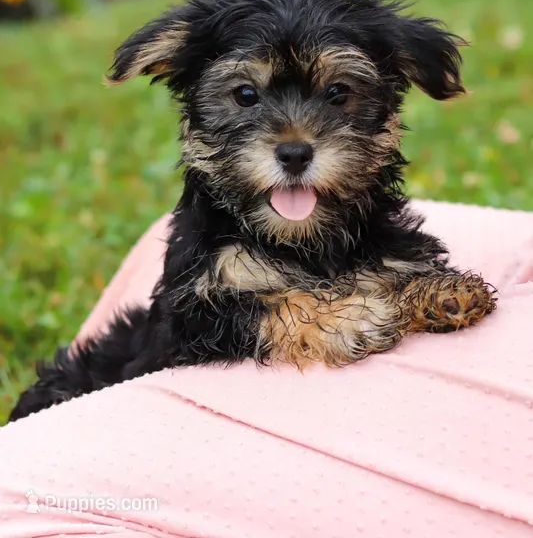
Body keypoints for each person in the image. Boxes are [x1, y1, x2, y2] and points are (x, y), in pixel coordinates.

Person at [1, 199, 533, 538]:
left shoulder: (385, 242)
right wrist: (323, 320)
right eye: (245, 98)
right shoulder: (212, 256)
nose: (294, 139)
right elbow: (194, 331)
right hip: (124, 404)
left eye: (338, 95)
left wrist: (415, 299)